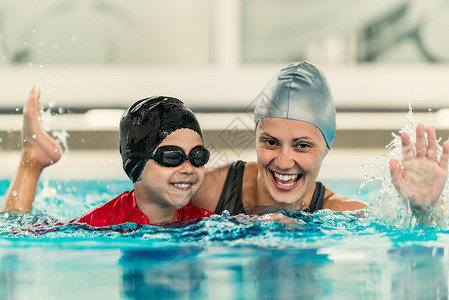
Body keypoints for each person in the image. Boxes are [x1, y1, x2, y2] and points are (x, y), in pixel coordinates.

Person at [190, 61, 449, 218]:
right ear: (255, 138)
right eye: (270, 142)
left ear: (327, 147)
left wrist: (423, 211)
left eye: (302, 145)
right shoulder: (207, 191)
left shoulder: (339, 213)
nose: (283, 161)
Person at [1, 87, 214, 226]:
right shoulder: (106, 221)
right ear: (135, 161)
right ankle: (33, 159)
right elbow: (15, 232)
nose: (188, 168)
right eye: (171, 157)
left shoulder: (205, 219)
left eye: (198, 156)